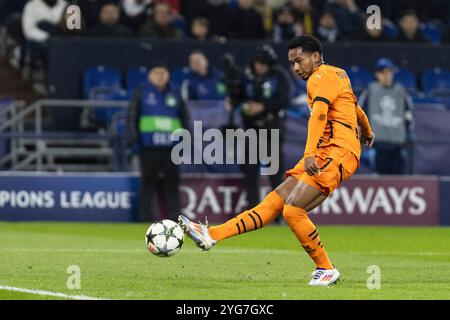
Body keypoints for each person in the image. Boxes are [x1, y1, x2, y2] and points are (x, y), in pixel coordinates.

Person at [179, 35, 375, 286]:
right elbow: (355, 107)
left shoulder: (319, 78)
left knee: (293, 211)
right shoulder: (339, 75)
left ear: (315, 56)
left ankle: (326, 268)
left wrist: (309, 155)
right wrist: (367, 131)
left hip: (336, 152)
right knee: (274, 201)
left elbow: (320, 116)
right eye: (292, 62)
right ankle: (211, 234)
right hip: (332, 150)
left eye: (299, 60)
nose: (295, 67)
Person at [130, 63, 187, 222]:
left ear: (168, 75)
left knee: (173, 184)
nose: (160, 76)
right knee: (147, 183)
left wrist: (184, 142)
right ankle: (145, 218)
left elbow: (184, 118)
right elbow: (132, 117)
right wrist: (135, 141)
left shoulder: (176, 93)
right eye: (156, 72)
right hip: (149, 147)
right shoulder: (142, 92)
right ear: (150, 75)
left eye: (163, 72)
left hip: (172, 147)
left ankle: (176, 219)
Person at [358, 58, 413, 174]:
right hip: (377, 146)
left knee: (399, 182)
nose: (387, 76)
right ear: (377, 74)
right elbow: (360, 116)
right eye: (383, 73)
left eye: (390, 72)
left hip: (398, 146)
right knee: (379, 182)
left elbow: (408, 116)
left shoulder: (401, 91)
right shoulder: (370, 91)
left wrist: (405, 137)